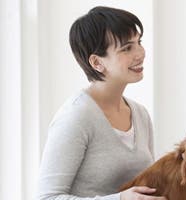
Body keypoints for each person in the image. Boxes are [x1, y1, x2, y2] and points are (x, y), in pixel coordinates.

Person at [37, 6, 166, 200]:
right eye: (127, 48)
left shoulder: (140, 114)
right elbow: (46, 197)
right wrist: (120, 199)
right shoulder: (76, 117)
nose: (140, 53)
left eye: (139, 42)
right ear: (97, 62)